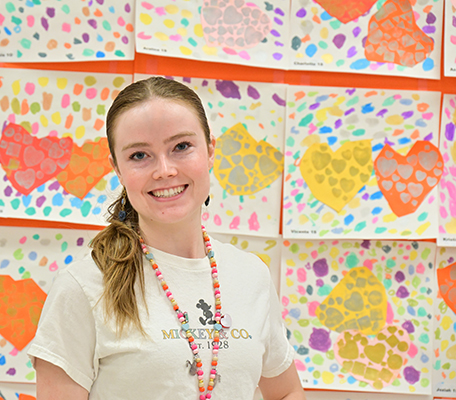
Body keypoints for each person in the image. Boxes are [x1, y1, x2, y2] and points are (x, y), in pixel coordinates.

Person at [28, 76, 305, 400]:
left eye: (181, 147)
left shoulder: (250, 275)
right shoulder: (84, 286)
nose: (164, 170)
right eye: (139, 156)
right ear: (117, 169)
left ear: (210, 150)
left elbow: (287, 392)